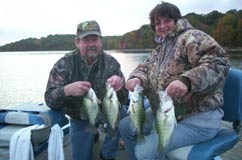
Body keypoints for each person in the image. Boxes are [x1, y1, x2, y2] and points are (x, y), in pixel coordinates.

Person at [119, 2, 230, 160]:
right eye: (157, 23)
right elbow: (144, 68)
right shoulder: (161, 49)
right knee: (125, 126)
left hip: (199, 117)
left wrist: (187, 81)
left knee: (144, 152)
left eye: (167, 20)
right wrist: (136, 78)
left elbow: (219, 63)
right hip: (169, 112)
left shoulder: (192, 37)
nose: (162, 26)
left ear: (177, 20)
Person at [44, 20, 128, 160]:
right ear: (77, 42)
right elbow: (49, 99)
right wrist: (66, 90)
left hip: (106, 111)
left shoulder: (111, 63)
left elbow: (124, 99)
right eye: (86, 40)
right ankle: (92, 132)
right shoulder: (64, 64)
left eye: (94, 40)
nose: (91, 44)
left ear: (100, 41)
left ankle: (107, 153)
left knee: (124, 117)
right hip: (80, 117)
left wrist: (119, 88)